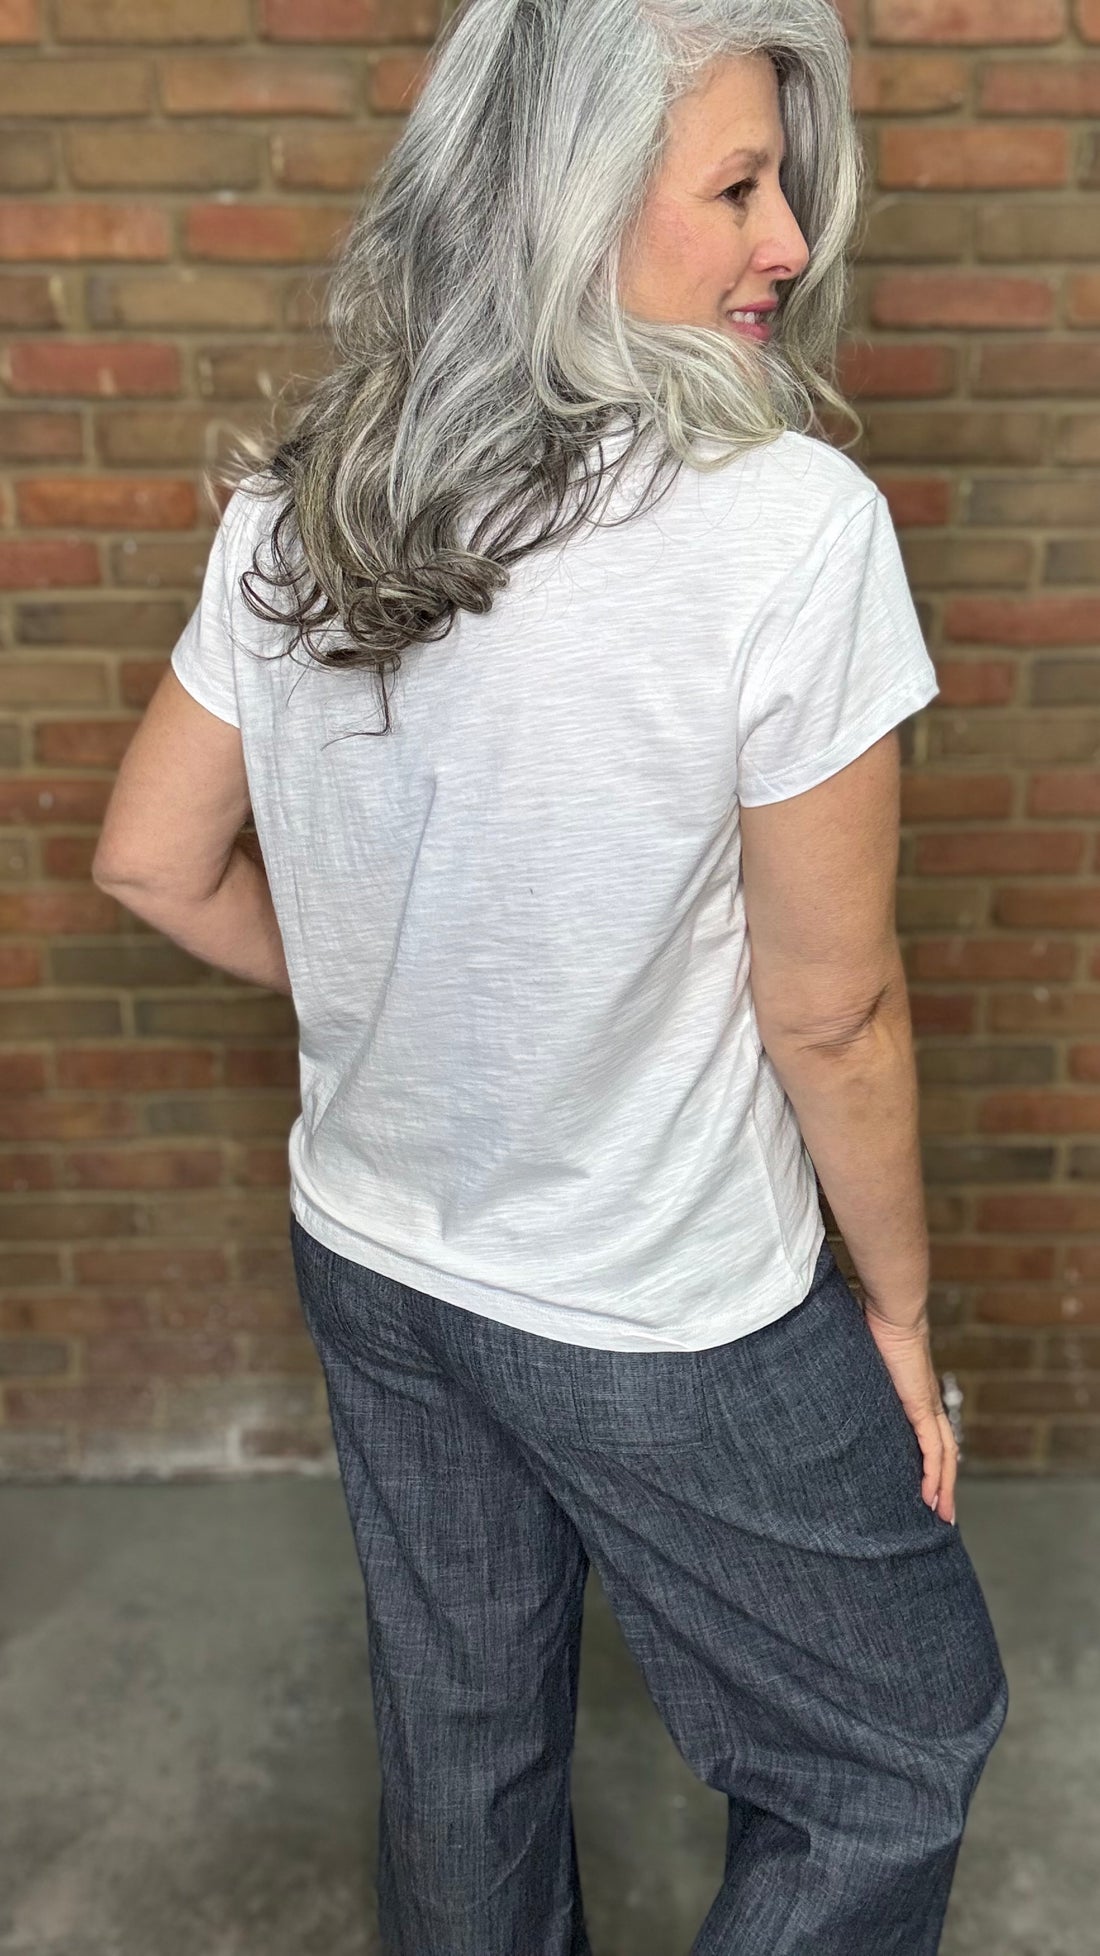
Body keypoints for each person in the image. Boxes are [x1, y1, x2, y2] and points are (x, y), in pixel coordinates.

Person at [92, 0, 1009, 1950]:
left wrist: (388, 995)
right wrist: (905, 1323)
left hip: (373, 1248)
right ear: (568, 203)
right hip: (657, 1301)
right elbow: (828, 1008)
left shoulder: (314, 482)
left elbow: (153, 860)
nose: (791, 241)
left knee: (465, 1735)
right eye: (741, 187)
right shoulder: (788, 532)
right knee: (891, 1742)